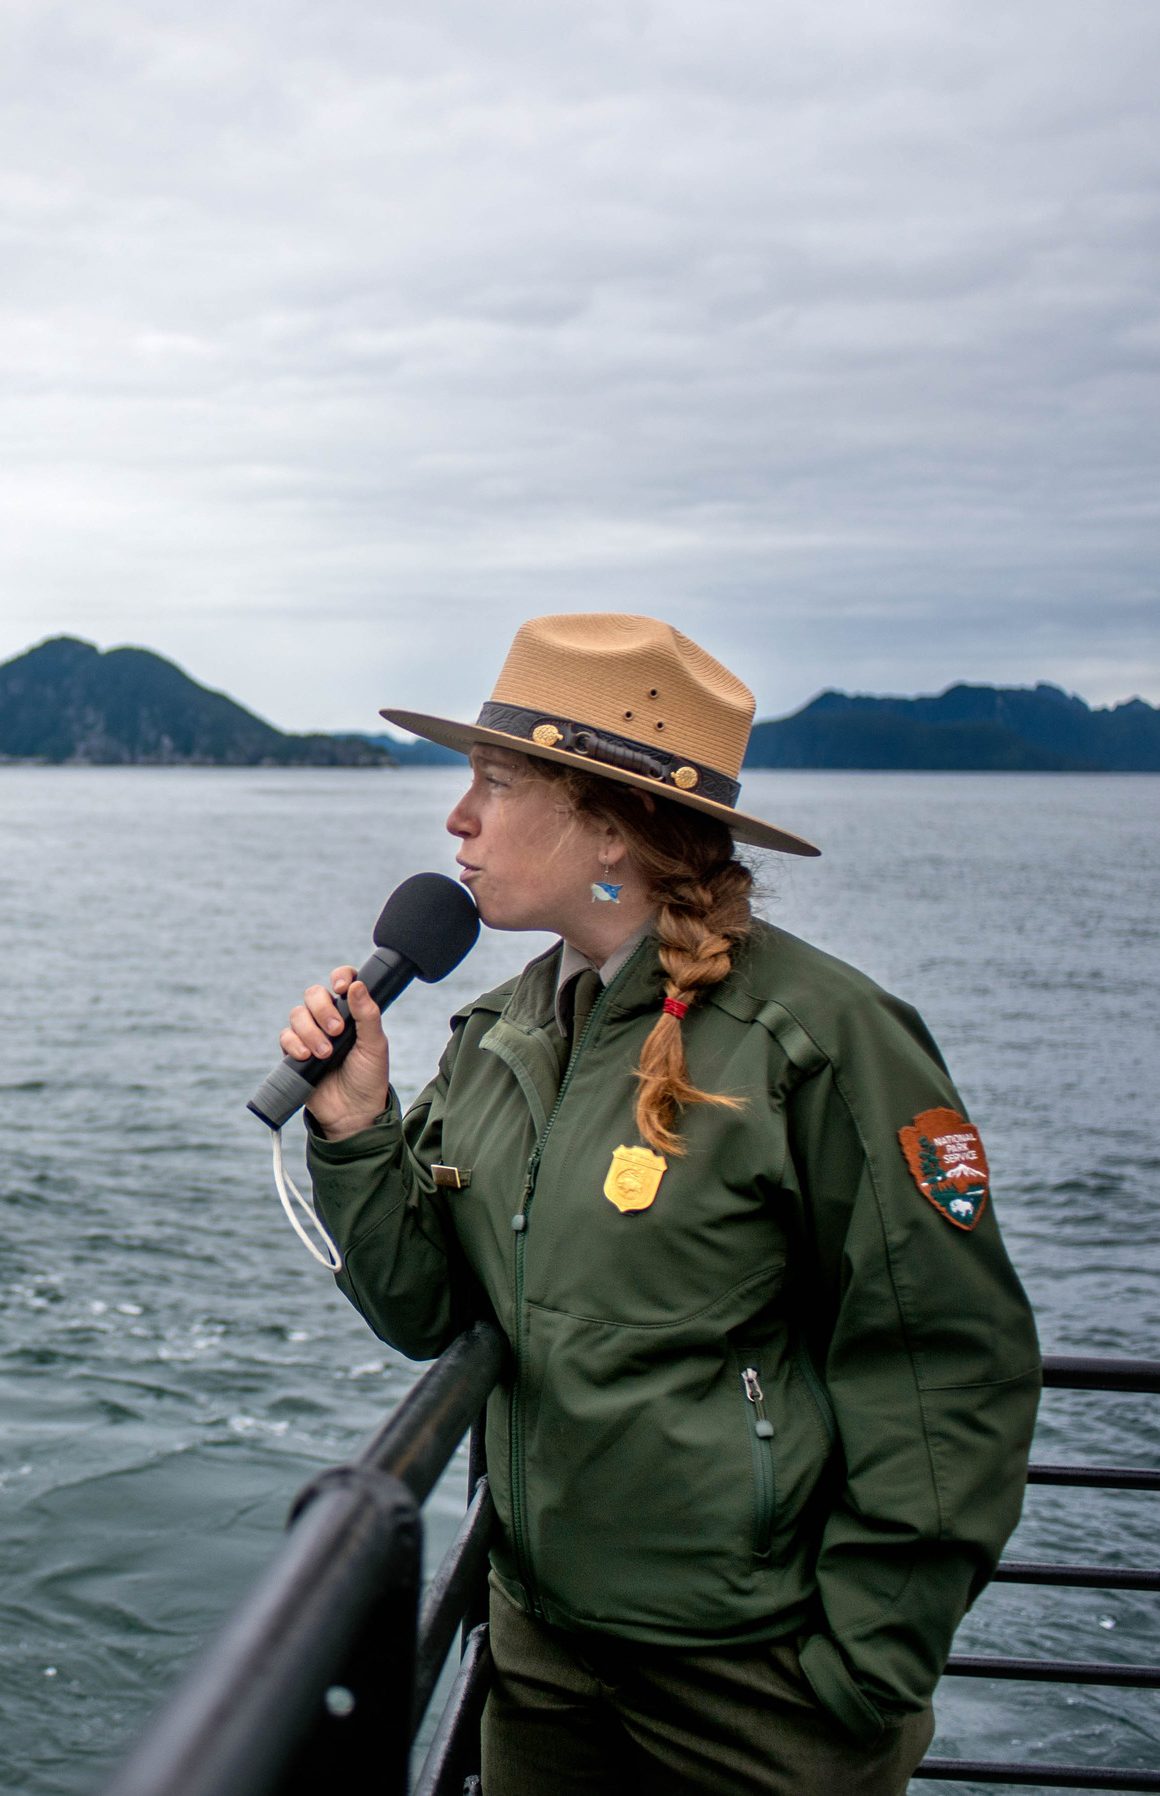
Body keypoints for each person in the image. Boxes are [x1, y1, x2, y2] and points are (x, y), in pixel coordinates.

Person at [281, 614, 1038, 1794]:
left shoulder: (816, 1037)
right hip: (540, 1657)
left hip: (760, 1682)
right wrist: (354, 1125)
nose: (456, 819)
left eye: (493, 782)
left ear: (609, 824)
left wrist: (862, 1661)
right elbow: (424, 1308)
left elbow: (946, 1357)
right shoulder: (501, 1032)